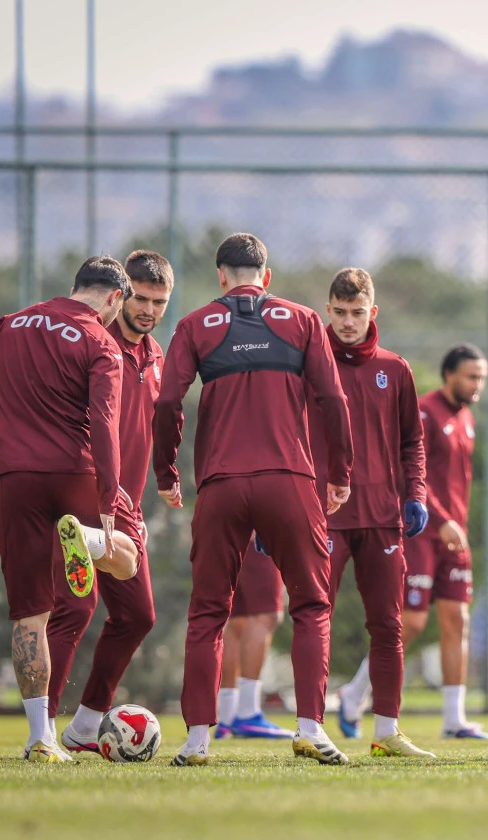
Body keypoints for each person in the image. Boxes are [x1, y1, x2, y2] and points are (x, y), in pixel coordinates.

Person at [153, 233, 353, 767]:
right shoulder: (305, 320)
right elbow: (333, 398)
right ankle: (310, 727)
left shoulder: (194, 325)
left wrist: (166, 471)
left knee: (208, 612)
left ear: (221, 277)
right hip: (288, 479)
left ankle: (197, 740)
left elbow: (168, 399)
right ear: (266, 275)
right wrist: (340, 473)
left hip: (220, 484)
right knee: (311, 606)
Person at [0, 257, 136, 762]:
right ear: (115, 299)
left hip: (14, 477)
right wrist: (108, 493)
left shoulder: (12, 324)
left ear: (75, 287)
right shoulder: (101, 342)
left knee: (30, 612)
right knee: (128, 559)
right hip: (74, 473)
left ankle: (41, 738)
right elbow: (103, 421)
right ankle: (93, 540)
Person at [44, 251, 171, 752]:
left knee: (138, 616)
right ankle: (44, 732)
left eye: (159, 301)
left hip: (127, 510)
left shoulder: (156, 355)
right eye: (140, 298)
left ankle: (84, 727)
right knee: (75, 609)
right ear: (120, 295)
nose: (148, 309)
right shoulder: (96, 345)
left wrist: (167, 472)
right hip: (82, 496)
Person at [309, 268, 434, 758]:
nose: (346, 322)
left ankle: (386, 731)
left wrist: (416, 493)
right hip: (325, 516)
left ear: (372, 312)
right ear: (327, 310)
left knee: (388, 624)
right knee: (314, 617)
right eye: (338, 312)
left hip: (382, 517)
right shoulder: (308, 365)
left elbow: (412, 442)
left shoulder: (395, 369)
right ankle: (311, 727)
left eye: (356, 313)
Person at [372, 343, 488, 739]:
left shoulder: (467, 418)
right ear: (449, 375)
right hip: (424, 530)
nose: (477, 385)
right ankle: (357, 696)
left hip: (454, 536)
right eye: (471, 376)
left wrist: (456, 524)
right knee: (412, 621)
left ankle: (454, 720)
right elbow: (410, 472)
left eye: (482, 377)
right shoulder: (424, 411)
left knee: (458, 620)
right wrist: (440, 519)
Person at [215, 537, 294, 740]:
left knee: (236, 621)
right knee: (265, 615)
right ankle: (247, 713)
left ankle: (226, 717)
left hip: (224, 534)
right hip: (254, 531)